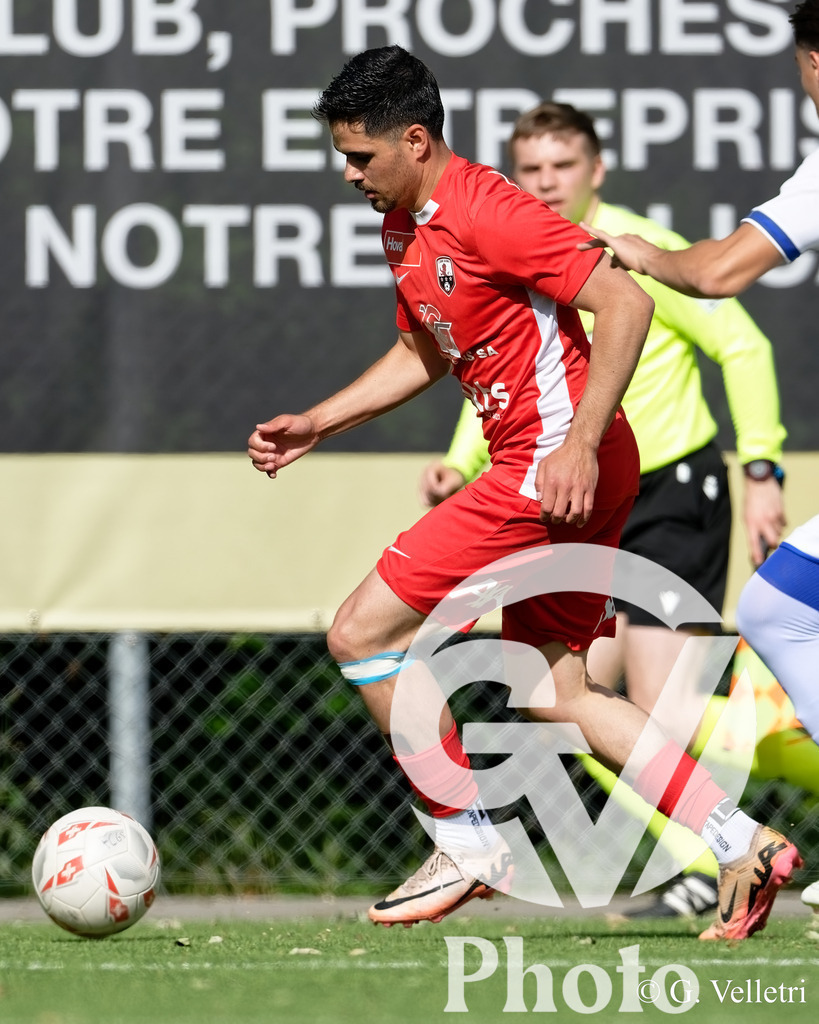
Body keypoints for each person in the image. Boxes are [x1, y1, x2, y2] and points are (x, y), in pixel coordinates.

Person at [247, 44, 800, 939]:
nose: (346, 173)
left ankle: (467, 838)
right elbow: (427, 348)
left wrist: (578, 442)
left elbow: (627, 303)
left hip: (546, 463)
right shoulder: (406, 223)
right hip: (556, 460)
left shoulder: (489, 209)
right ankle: (741, 843)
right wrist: (321, 421)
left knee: (359, 633)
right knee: (558, 692)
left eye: (359, 155)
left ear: (416, 139)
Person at [419, 101, 789, 919]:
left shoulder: (626, 250)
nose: (546, 184)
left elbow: (744, 346)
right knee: (562, 699)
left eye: (562, 167)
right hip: (579, 501)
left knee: (659, 706)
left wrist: (760, 467)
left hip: (666, 492)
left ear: (596, 171)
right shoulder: (519, 247)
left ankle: (711, 860)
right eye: (532, 169)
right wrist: (457, 462)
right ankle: (743, 788)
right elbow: (500, 372)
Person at [580, 0, 819, 914]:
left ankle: (711, 855)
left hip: (673, 490)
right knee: (778, 603)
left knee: (778, 606)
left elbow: (718, 274)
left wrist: (641, 251)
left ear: (810, 64)